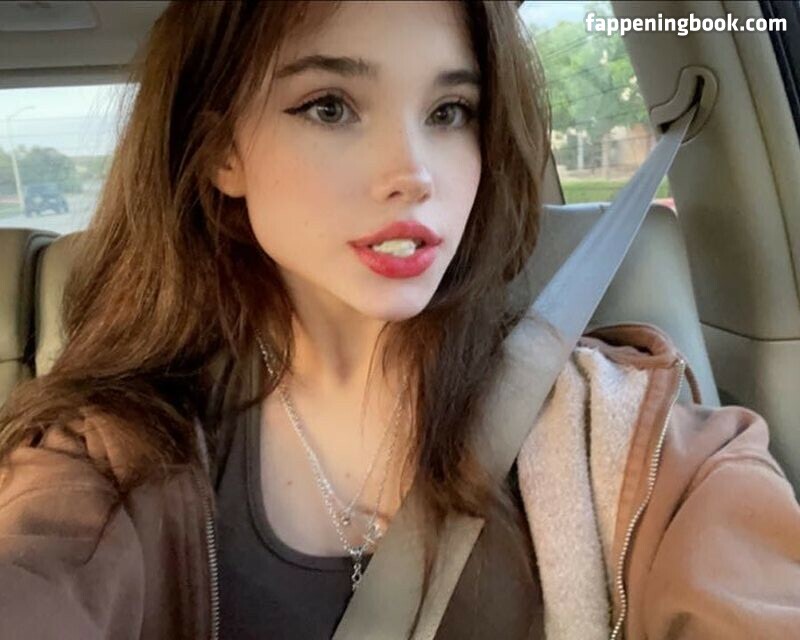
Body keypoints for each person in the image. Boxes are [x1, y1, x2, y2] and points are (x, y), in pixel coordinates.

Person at [0, 2, 797, 639]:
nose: (413, 174)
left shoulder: (620, 432)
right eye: (330, 106)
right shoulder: (104, 459)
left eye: (450, 111)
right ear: (222, 153)